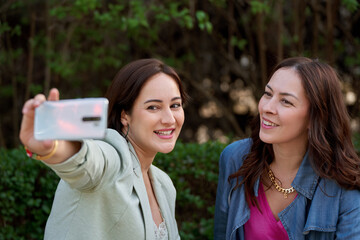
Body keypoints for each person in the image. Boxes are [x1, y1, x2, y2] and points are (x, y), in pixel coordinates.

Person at [20, 58, 188, 240]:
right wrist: (53, 147)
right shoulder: (113, 158)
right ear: (125, 115)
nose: (169, 118)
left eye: (175, 105)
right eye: (153, 107)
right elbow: (88, 161)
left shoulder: (165, 186)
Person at [214, 57, 360, 239]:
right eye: (268, 94)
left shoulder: (344, 188)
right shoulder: (235, 158)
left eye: (286, 102)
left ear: (315, 117)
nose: (267, 107)